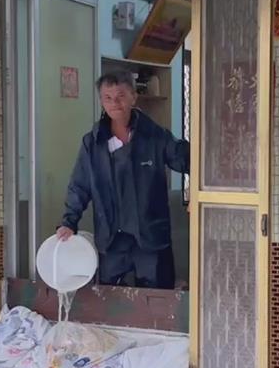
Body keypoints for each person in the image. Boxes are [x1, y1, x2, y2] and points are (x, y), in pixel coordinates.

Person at [56, 72, 189, 288]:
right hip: (112, 238)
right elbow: (80, 185)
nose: (114, 103)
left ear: (133, 97)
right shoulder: (93, 143)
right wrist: (69, 222)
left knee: (157, 301)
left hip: (150, 237)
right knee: (113, 302)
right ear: (101, 101)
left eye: (120, 96)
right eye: (107, 97)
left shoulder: (155, 136)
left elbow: (186, 159)